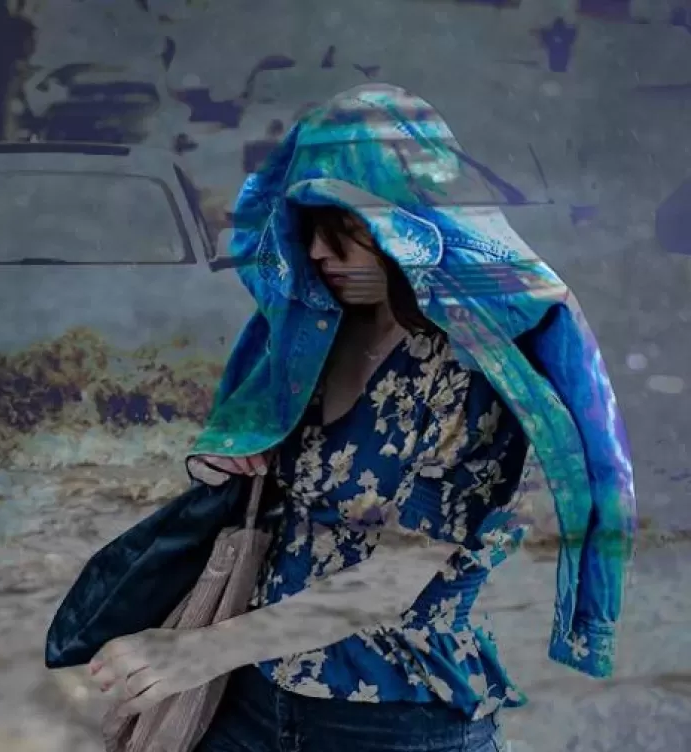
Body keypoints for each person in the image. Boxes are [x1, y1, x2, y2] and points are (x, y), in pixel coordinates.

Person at [82, 85, 636, 751]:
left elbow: (396, 578)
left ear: (410, 221)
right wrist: (229, 462)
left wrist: (193, 654)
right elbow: (268, 470)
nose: (319, 252)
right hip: (250, 697)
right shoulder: (310, 334)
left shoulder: (469, 370)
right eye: (308, 228)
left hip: (393, 717)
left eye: (345, 228)